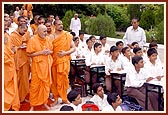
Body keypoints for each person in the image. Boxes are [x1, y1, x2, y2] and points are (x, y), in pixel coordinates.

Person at [26, 25, 53, 111]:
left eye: (46, 31)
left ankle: (44, 103)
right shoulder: (33, 39)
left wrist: (48, 52)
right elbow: (29, 54)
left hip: (46, 66)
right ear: (38, 31)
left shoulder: (48, 39)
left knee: (46, 85)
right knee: (35, 86)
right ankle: (33, 105)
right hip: (37, 67)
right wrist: (41, 52)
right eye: (44, 31)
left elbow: (52, 50)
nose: (46, 33)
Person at [49, 19, 76, 106]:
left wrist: (65, 53)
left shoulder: (67, 35)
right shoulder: (51, 37)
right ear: (55, 26)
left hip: (64, 61)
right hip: (54, 62)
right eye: (59, 24)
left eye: (62, 24)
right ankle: (56, 99)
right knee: (55, 81)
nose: (61, 26)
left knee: (64, 80)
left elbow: (73, 48)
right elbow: (48, 49)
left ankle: (64, 98)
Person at [9, 23, 31, 103]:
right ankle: (15, 98)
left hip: (25, 60)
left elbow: (29, 45)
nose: (25, 33)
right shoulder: (12, 36)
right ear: (19, 28)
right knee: (17, 80)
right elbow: (10, 49)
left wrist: (26, 45)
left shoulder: (24, 35)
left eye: (26, 31)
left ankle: (22, 97)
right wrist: (19, 47)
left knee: (24, 80)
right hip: (16, 61)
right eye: (24, 30)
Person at [4, 23, 20, 111]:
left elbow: (10, 48)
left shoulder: (7, 35)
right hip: (5, 67)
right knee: (6, 86)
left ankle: (11, 105)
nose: (6, 24)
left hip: (10, 65)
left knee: (11, 85)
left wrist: (13, 49)